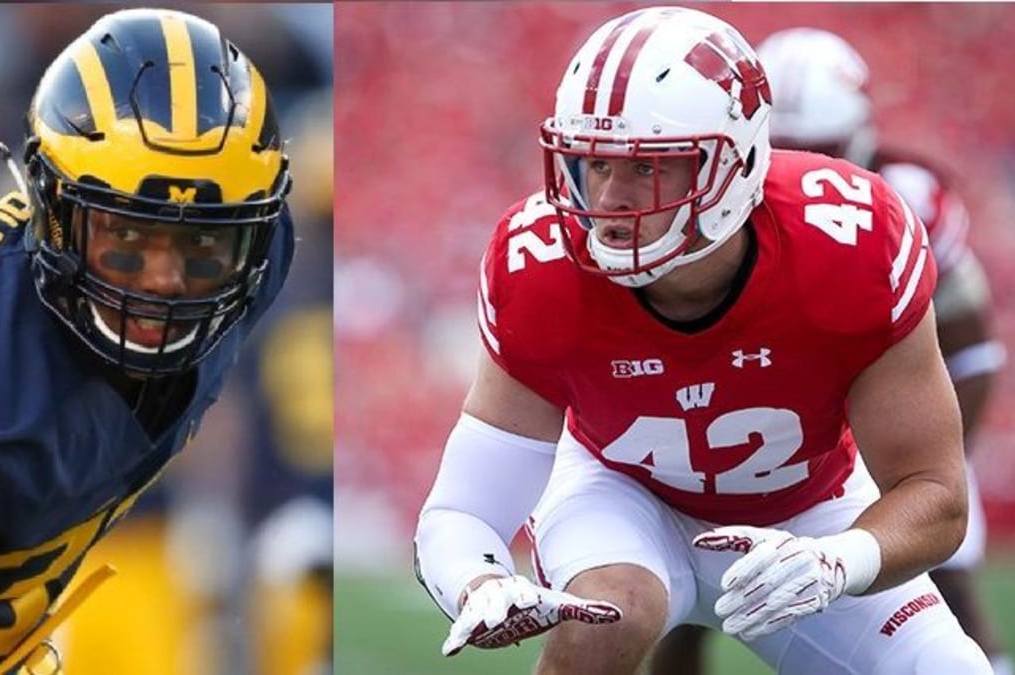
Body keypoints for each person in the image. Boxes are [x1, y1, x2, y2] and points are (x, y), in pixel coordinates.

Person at [413, 6, 992, 674]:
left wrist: (839, 559)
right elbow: (462, 507)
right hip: (620, 492)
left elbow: (937, 495)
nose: (611, 198)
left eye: (649, 167)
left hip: (808, 512)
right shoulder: (540, 262)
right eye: (593, 163)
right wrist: (480, 583)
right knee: (610, 614)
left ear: (735, 161)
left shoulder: (850, 243)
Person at [0, 7, 294, 673]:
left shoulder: (259, 252)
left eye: (203, 243)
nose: (165, 281)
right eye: (126, 239)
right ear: (51, 211)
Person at [650, 27, 1010, 675]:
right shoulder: (706, 207)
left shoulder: (911, 198)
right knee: (691, 595)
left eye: (822, 150)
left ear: (861, 135)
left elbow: (972, 350)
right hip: (762, 412)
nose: (805, 168)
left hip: (884, 415)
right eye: (784, 150)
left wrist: (925, 461)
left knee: (942, 587)